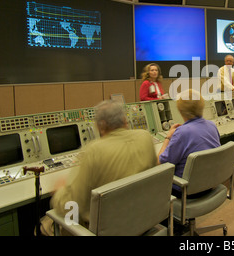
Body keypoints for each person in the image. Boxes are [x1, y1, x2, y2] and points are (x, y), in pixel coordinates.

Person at [41, 100, 158, 234]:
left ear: (100, 126)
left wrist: (59, 192)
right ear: (125, 120)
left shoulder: (93, 151)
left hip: (108, 228)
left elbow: (72, 205)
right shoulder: (145, 137)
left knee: (46, 225)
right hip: (142, 219)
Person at [157, 89, 221, 198]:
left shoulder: (182, 133)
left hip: (186, 190)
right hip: (209, 184)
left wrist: (168, 138)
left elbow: (161, 163)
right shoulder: (212, 125)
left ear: (181, 110)